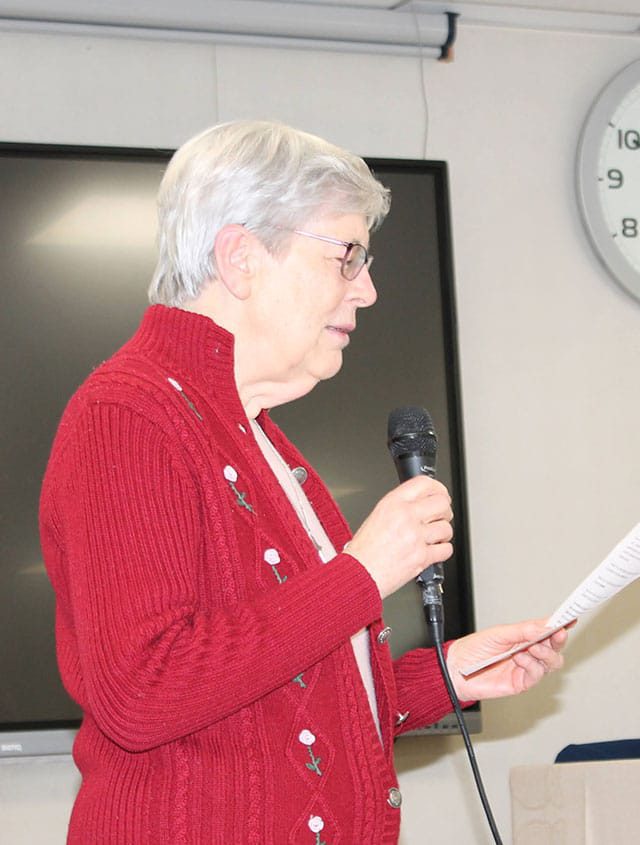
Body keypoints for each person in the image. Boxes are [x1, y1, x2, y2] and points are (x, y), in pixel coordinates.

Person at [39, 120, 568, 844]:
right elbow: (142, 690)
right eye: (347, 256)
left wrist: (448, 673)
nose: (370, 290)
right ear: (242, 258)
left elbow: (289, 699)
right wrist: (364, 570)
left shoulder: (263, 442)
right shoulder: (128, 413)